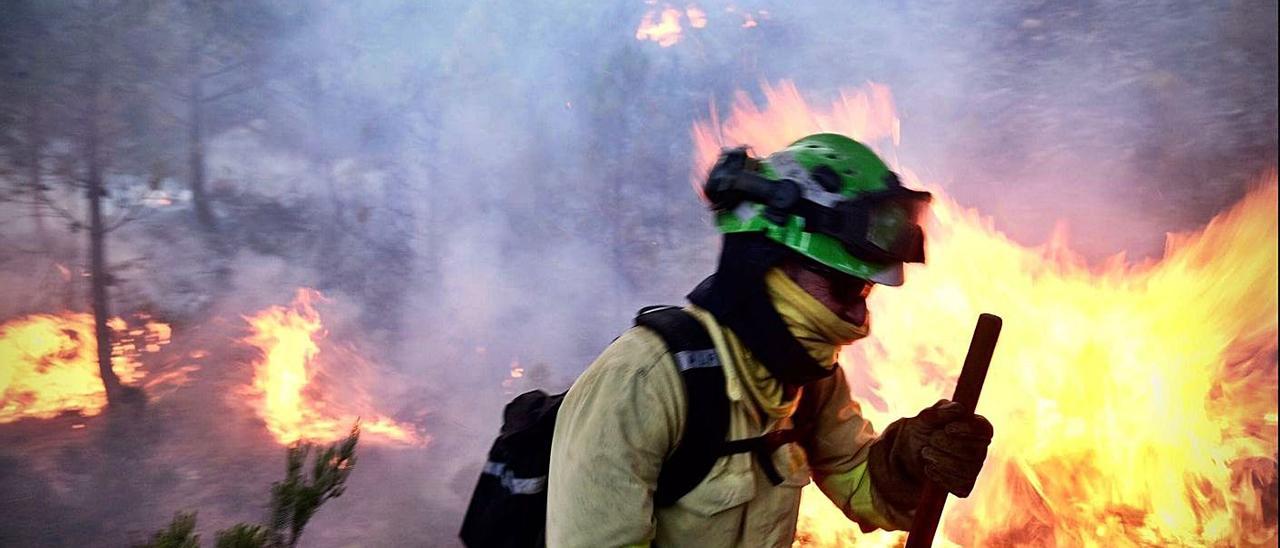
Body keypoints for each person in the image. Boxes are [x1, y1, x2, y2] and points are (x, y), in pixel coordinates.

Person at [546, 133, 994, 547]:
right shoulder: (641, 383)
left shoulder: (807, 381)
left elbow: (857, 480)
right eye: (844, 287)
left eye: (866, 292)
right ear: (768, 260)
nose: (860, 316)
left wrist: (907, 462)